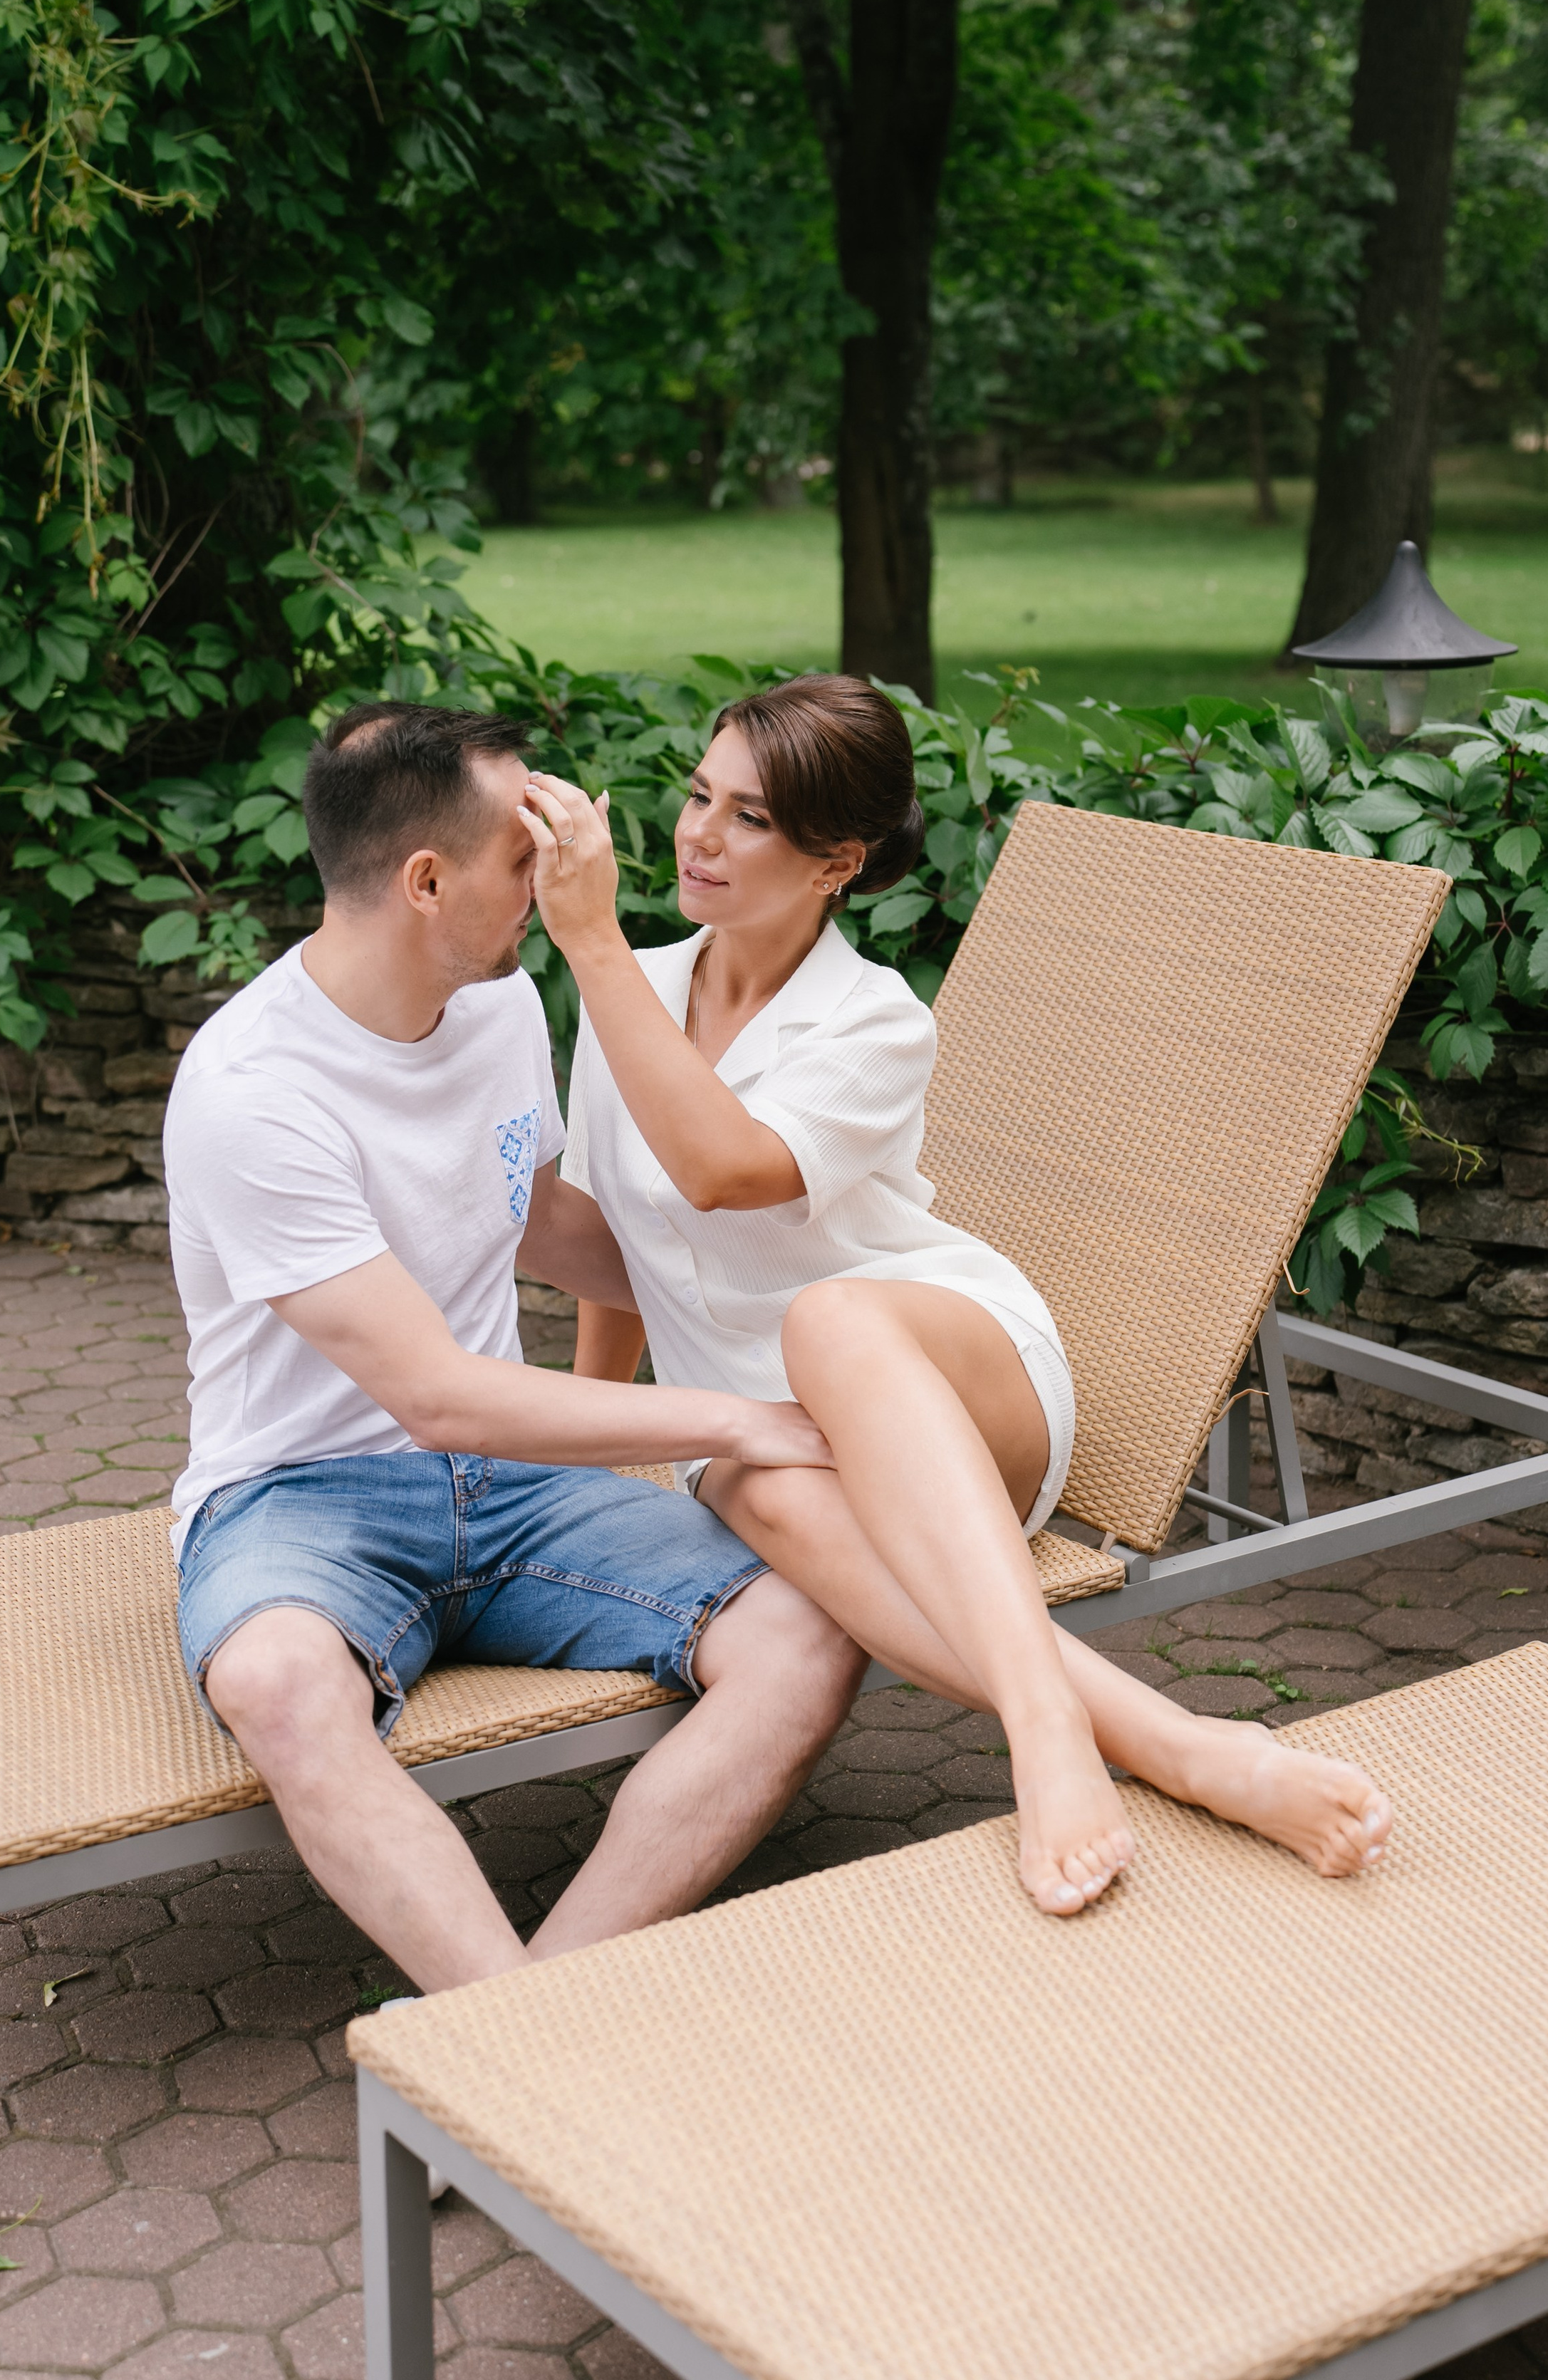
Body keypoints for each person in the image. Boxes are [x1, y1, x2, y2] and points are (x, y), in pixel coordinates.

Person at [520, 673, 1393, 1918]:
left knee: (828, 1317)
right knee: (735, 1464)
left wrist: (589, 939)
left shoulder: (874, 1020)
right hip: (761, 1434)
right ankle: (1192, 1751)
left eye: (752, 818)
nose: (700, 835)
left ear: (839, 862)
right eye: (699, 795)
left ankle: (1044, 1732)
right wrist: (584, 1439)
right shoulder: (629, 993)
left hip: (950, 1380)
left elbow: (717, 1172)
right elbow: (628, 1246)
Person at [162, 699, 866, 2001]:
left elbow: (542, 1219)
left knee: (815, 1624)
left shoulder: (493, 1011)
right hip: (299, 1498)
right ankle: (513, 2046)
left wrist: (833, 1313)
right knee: (272, 1678)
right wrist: (735, 1416)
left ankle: (530, 2010)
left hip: (513, 1497)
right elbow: (435, 1394)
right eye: (523, 849)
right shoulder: (251, 1091)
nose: (558, 872)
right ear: (427, 883)